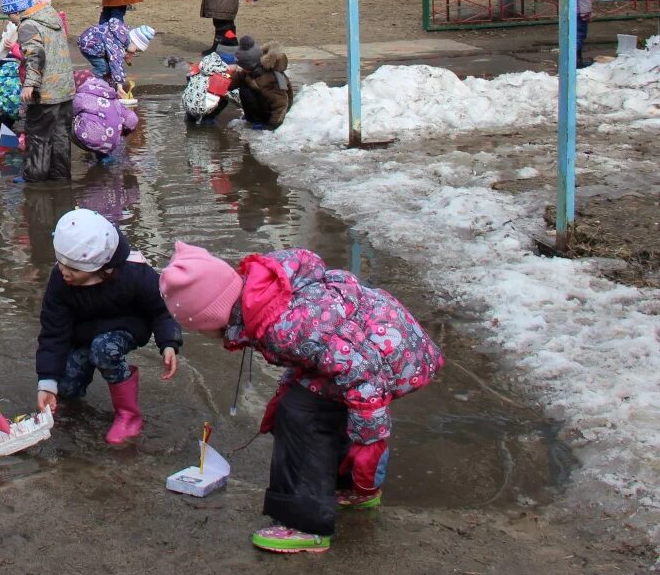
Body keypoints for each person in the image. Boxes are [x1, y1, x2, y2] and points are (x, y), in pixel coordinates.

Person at [159, 243, 444, 554]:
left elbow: (363, 379)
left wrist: (369, 443)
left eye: (199, 329)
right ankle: (353, 488)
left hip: (390, 361)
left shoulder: (284, 327)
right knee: (304, 403)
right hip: (387, 345)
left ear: (212, 317)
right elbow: (322, 356)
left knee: (301, 416)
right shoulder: (268, 293)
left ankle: (306, 524)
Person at [35, 209, 181, 444]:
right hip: (82, 334)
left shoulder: (134, 273)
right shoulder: (60, 281)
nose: (64, 272)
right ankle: (69, 405)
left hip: (124, 327)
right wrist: (47, 383)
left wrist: (168, 343)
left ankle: (128, 415)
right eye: (61, 263)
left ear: (99, 267)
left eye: (73, 268)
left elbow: (162, 307)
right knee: (67, 387)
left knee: (103, 349)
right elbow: (53, 331)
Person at [1, 0, 73, 183]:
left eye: (10, 15)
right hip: (65, 89)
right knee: (61, 136)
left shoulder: (28, 25)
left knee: (38, 136)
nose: (12, 21)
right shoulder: (52, 18)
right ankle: (60, 177)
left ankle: (35, 179)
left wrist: (30, 84)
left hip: (46, 93)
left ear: (17, 10)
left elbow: (35, 54)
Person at [71, 69, 139, 162]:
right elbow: (132, 119)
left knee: (65, 120)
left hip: (89, 137)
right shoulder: (113, 98)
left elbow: (68, 113)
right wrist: (123, 132)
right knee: (106, 122)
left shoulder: (80, 97)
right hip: (112, 142)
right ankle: (104, 155)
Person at [229, 36, 293, 129]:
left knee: (245, 91)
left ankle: (257, 120)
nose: (243, 69)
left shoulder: (270, 79)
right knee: (245, 87)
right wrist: (223, 83)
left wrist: (271, 126)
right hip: (265, 102)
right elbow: (238, 78)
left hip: (275, 112)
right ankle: (253, 117)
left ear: (250, 65)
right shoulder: (253, 70)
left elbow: (281, 104)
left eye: (244, 67)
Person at [75, 18, 154, 89]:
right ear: (134, 41)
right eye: (137, 50)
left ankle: (105, 84)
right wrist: (120, 86)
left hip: (92, 40)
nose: (135, 53)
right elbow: (116, 64)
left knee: (109, 66)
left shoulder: (122, 35)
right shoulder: (116, 45)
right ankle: (82, 80)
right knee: (103, 68)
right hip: (90, 46)